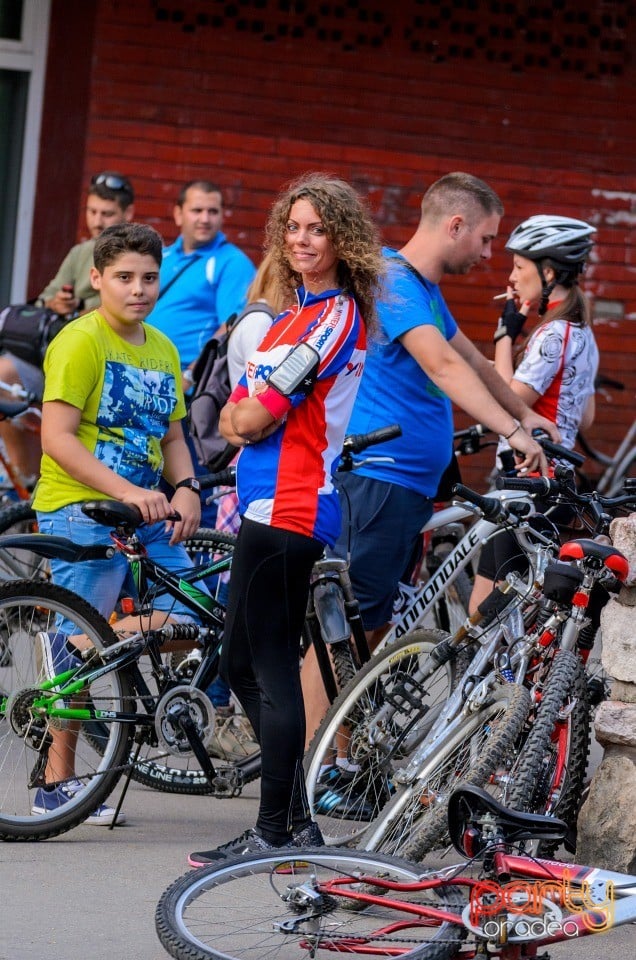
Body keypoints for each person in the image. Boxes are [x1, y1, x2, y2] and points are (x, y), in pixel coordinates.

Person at [301, 172, 561, 750]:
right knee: (341, 629)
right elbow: (443, 367)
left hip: (405, 487)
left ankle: (336, 758)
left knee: (369, 626)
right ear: (456, 225)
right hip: (378, 480)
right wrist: (513, 431)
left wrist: (534, 419)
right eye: (487, 239)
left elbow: (478, 365)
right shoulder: (394, 281)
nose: (490, 253)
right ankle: (303, 772)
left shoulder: (423, 288)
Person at [187, 172, 384, 865]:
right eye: (293, 227)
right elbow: (241, 411)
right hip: (265, 504)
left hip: (294, 503)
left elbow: (251, 414)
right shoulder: (291, 314)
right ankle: (293, 822)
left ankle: (273, 829)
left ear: (343, 240)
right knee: (243, 659)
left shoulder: (333, 316)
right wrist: (249, 413)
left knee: (266, 663)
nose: (301, 239)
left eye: (317, 229)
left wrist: (249, 414)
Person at [31, 221, 202, 824]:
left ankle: (85, 639)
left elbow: (175, 434)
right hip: (82, 509)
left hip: (148, 512)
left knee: (198, 619)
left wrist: (185, 487)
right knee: (83, 641)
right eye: (124, 277)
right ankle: (55, 785)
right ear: (97, 278)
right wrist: (131, 490)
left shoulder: (162, 346)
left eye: (149, 277)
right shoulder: (81, 342)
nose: (139, 289)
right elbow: (55, 440)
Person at [469, 214, 599, 611]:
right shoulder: (583, 332)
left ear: (547, 271)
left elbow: (509, 397)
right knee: (508, 606)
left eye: (519, 267)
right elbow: (587, 417)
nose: (512, 277)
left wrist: (505, 335)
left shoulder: (550, 334)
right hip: (555, 485)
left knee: (486, 610)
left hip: (528, 480)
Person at [0, 171, 135, 484]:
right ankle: (24, 481)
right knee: (4, 374)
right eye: (92, 212)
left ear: (127, 214)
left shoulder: (135, 255)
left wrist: (87, 310)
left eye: (107, 213)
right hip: (57, 350)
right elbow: (46, 298)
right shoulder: (80, 252)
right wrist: (55, 305)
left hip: (101, 358)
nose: (98, 221)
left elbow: (134, 308)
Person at [205, 250, 286, 762]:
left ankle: (216, 705)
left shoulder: (263, 319)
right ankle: (216, 711)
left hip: (247, 476)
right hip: (248, 480)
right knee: (232, 602)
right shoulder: (261, 324)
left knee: (232, 600)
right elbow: (252, 412)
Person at [146, 179, 256, 396]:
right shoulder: (161, 256)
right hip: (140, 373)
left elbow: (231, 328)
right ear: (178, 214)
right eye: (197, 210)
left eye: (213, 211)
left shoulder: (233, 262)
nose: (205, 219)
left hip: (183, 387)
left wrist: (189, 377)